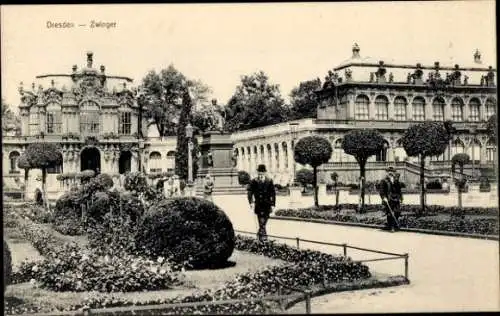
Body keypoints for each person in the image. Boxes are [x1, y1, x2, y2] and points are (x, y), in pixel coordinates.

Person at [247, 164, 276, 242]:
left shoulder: (269, 181)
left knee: (265, 220)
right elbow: (250, 192)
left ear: (265, 172)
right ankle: (264, 237)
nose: (260, 174)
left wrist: (273, 204)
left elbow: (273, 193)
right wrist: (251, 202)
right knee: (261, 220)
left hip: (267, 204)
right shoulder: (254, 181)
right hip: (258, 204)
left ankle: (259, 233)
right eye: (259, 172)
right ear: (257, 172)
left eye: (262, 172)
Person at [379, 167, 403, 232]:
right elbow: (381, 191)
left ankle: (393, 225)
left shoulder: (396, 180)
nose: (390, 172)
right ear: (387, 173)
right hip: (388, 199)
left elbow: (399, 190)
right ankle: (392, 226)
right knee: (390, 213)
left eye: (392, 171)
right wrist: (384, 198)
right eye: (389, 171)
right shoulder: (384, 181)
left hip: (396, 198)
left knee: (397, 212)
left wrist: (401, 198)